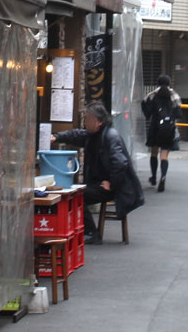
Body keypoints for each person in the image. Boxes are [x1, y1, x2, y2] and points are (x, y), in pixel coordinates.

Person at [51, 102, 145, 244]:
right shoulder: (93, 134)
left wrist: (112, 184)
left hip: (118, 188)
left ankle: (91, 233)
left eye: (88, 119)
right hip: (101, 183)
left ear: (99, 122)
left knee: (78, 195)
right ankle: (89, 231)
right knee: (77, 193)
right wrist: (56, 136)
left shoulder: (110, 136)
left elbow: (120, 163)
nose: (85, 122)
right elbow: (76, 135)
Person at [141, 75, 181, 192]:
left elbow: (147, 113)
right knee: (164, 155)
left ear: (158, 83)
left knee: (154, 153)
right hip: (168, 128)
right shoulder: (174, 96)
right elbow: (179, 113)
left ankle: (153, 177)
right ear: (169, 83)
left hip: (155, 127)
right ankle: (163, 176)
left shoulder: (152, 95)